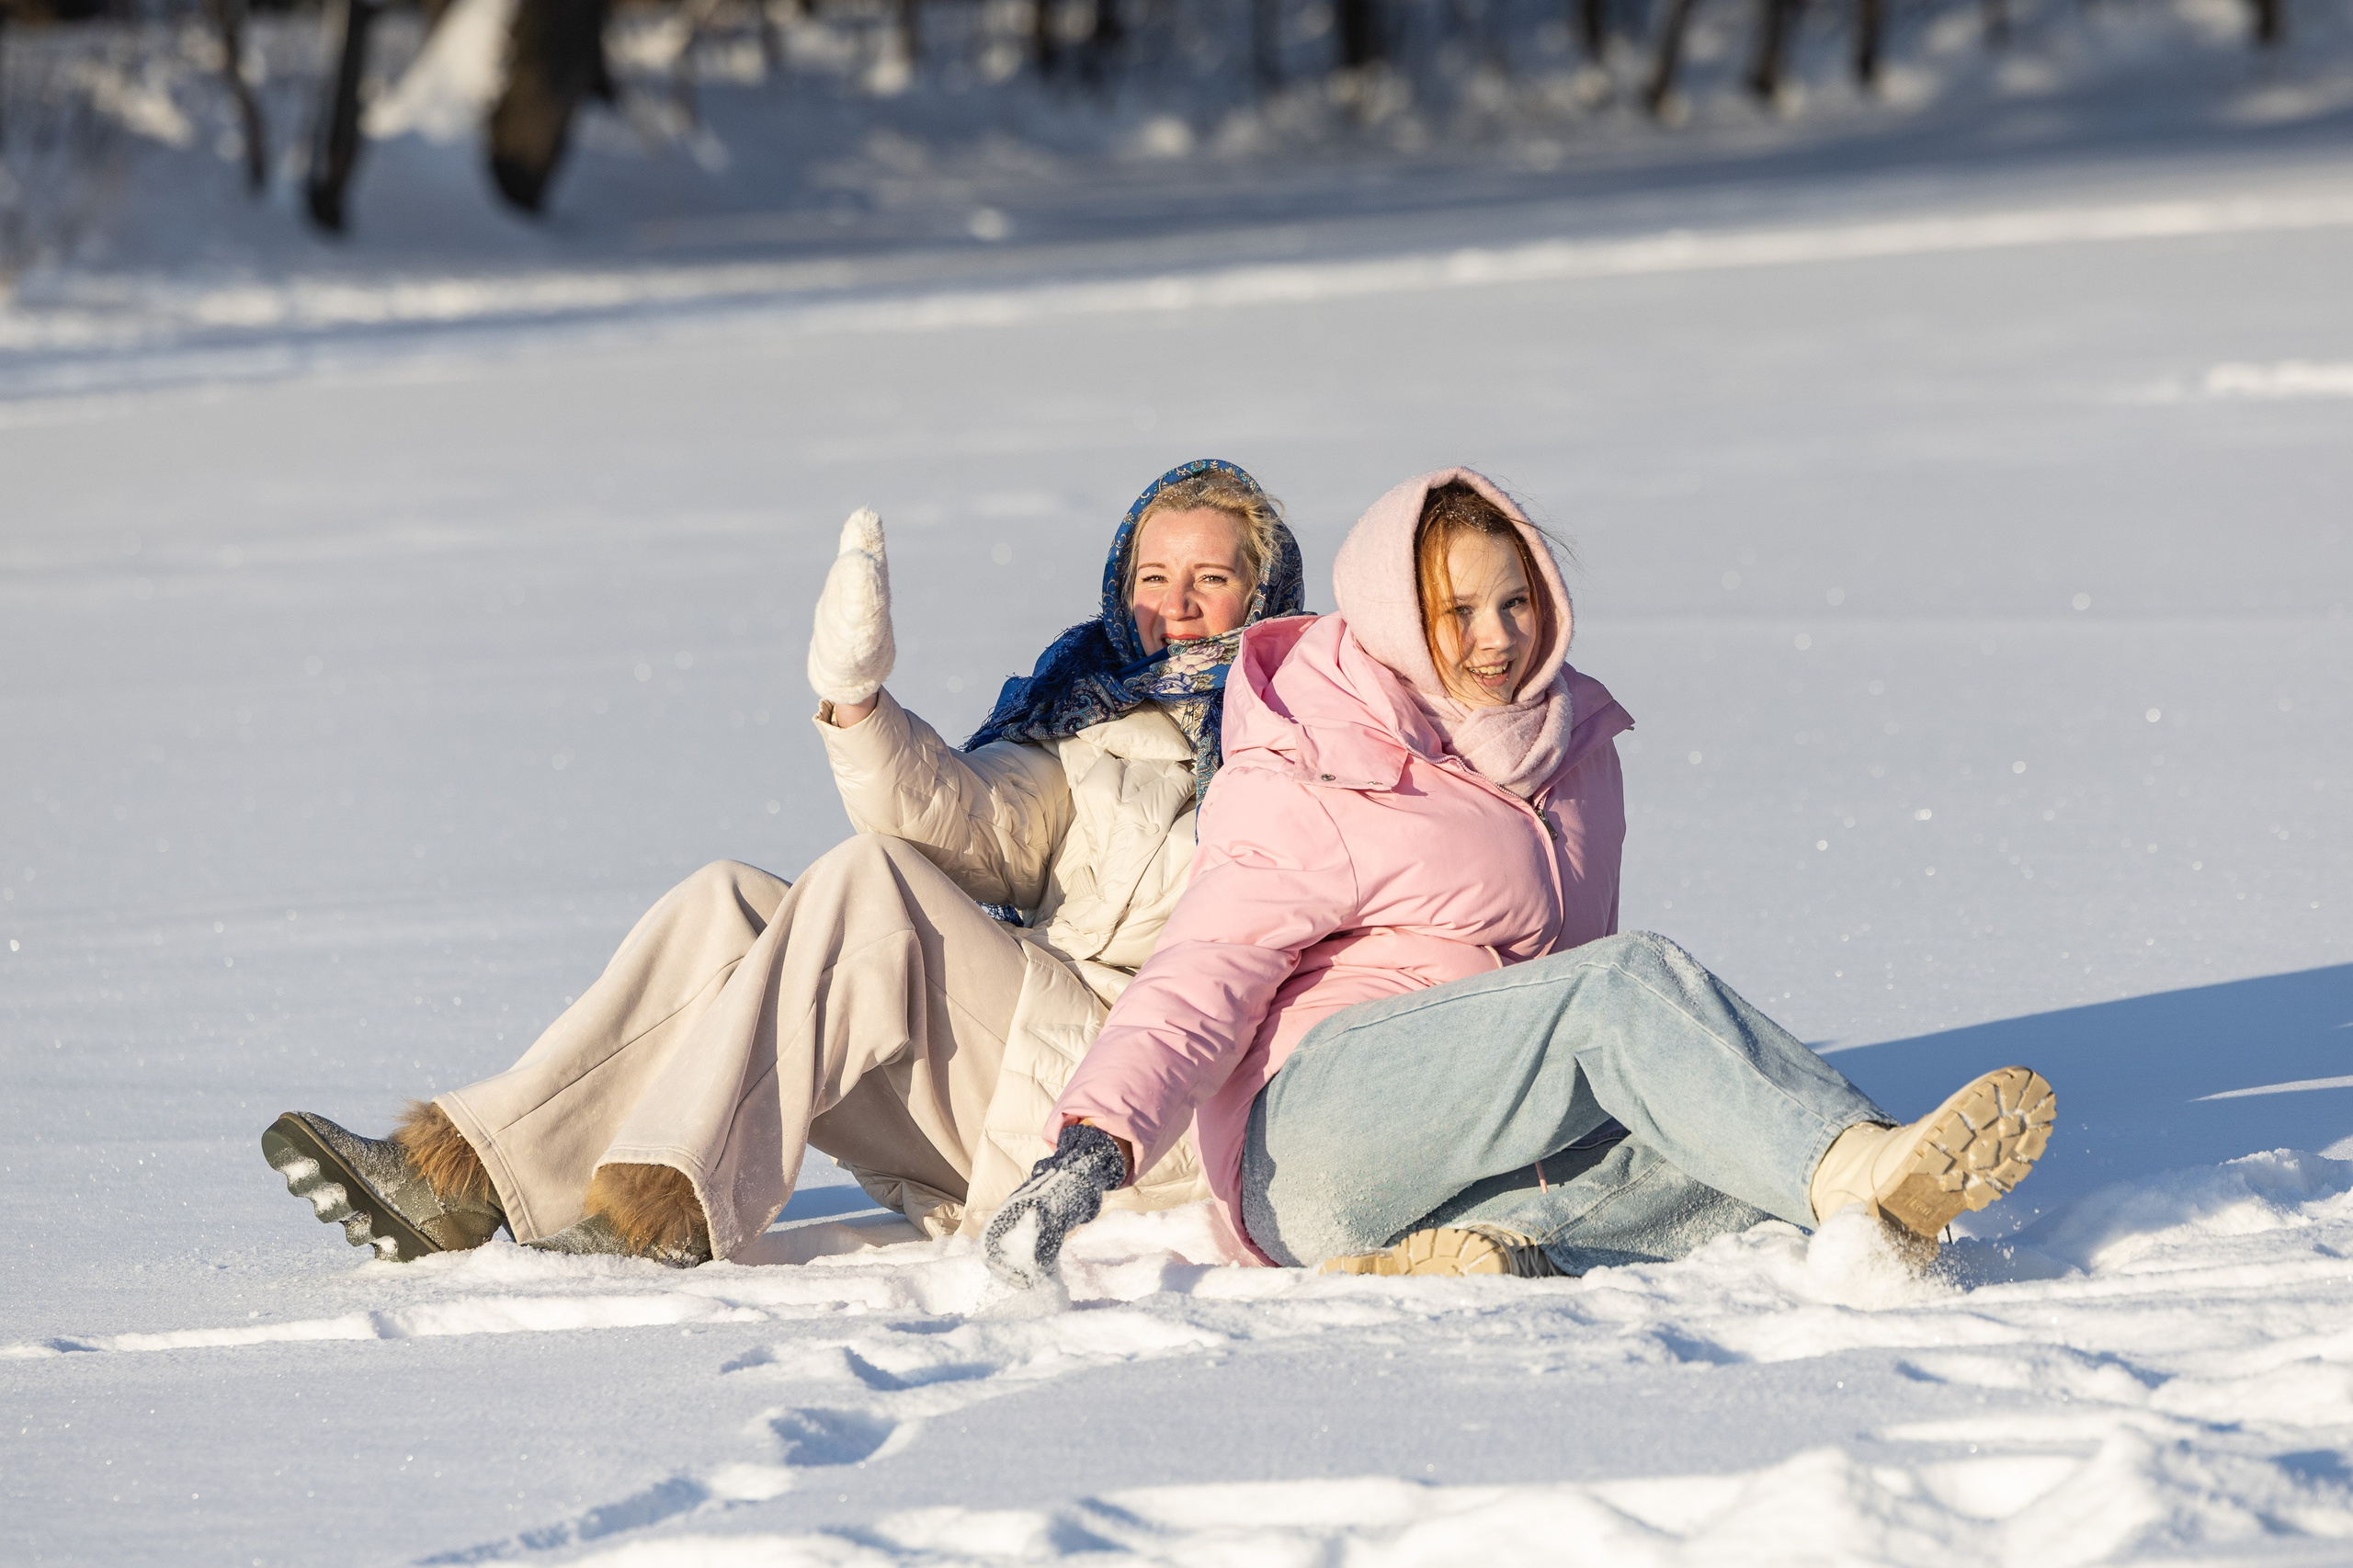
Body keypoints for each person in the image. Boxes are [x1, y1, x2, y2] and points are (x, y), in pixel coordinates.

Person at [984, 468, 2054, 1287]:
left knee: (1723, 1148)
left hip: (1461, 1151)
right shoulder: (1320, 748)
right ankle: (1862, 1170)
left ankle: (1498, 1247)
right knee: (1625, 987)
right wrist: (1095, 1142)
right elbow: (1204, 961)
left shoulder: (1573, 746)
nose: (1496, 638)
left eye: (1514, 602)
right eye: (1457, 612)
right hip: (1309, 1135)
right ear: (1400, 619)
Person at [262, 459, 1306, 1267]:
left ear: (1264, 595)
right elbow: (963, 823)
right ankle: (468, 1168)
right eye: (1152, 575)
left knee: (867, 888)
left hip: (1137, 1116)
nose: (1172, 604)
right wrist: (857, 702)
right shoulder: (1093, 719)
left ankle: (679, 1203)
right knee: (729, 904)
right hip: (1016, 1077)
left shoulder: (1299, 745)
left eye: (1210, 578)